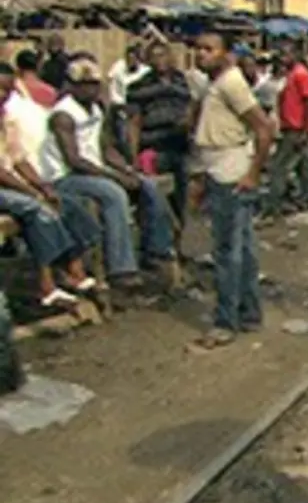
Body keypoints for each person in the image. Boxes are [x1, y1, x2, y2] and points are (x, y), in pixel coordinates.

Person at [44, 57, 175, 288]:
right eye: (84, 84)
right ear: (71, 86)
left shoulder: (95, 109)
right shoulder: (63, 115)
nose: (90, 89)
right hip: (65, 177)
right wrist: (113, 176)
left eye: (94, 83)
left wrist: (126, 168)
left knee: (149, 185)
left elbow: (105, 148)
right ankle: (121, 267)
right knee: (113, 193)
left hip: (92, 170)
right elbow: (74, 160)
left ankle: (157, 249)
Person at [190, 32, 274, 349]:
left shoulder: (230, 84)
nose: (201, 54)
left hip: (230, 171)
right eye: (198, 49)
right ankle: (249, 313)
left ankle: (226, 321)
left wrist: (253, 172)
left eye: (209, 49)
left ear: (225, 53)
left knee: (227, 252)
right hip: (220, 166)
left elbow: (263, 128)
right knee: (244, 249)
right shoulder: (214, 83)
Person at [0, 64, 99, 308]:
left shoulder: (5, 120)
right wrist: (32, 192)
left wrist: (43, 186)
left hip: (8, 184)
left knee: (65, 203)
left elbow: (19, 160)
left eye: (8, 91)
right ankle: (49, 283)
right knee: (37, 209)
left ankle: (73, 268)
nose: (3, 95)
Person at [126, 43, 193, 233]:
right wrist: (133, 157)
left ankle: (177, 246)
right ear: (148, 60)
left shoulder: (183, 82)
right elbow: (134, 123)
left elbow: (192, 109)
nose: (160, 60)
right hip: (153, 149)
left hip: (181, 147)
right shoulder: (138, 87)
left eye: (163, 55)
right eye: (154, 56)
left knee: (181, 200)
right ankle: (159, 249)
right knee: (158, 203)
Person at [264, 44, 308, 219]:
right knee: (304, 166)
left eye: (286, 54)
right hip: (291, 127)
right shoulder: (291, 74)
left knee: (278, 167)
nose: (283, 58)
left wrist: (307, 130)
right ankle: (307, 198)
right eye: (281, 54)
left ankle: (273, 205)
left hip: (296, 128)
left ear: (295, 54)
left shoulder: (300, 74)